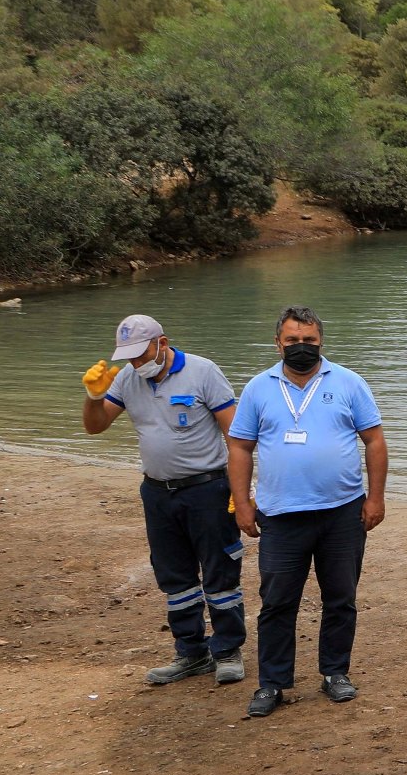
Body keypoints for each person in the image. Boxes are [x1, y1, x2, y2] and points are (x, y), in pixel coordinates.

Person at [225, 307, 387, 719]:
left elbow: (374, 441)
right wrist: (242, 502)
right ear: (278, 342)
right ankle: (272, 683)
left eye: (309, 341)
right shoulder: (259, 388)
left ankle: (335, 673)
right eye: (293, 341)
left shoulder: (349, 383)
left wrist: (376, 498)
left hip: (343, 512)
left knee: (341, 598)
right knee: (277, 601)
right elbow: (240, 447)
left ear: (321, 342)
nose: (301, 348)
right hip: (280, 515)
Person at [79, 313, 246, 686]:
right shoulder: (126, 379)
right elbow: (95, 426)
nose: (137, 363)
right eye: (130, 357)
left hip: (207, 489)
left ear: (162, 343)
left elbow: (236, 435)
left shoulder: (203, 372)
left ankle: (228, 650)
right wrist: (93, 396)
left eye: (142, 354)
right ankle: (191, 653)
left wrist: (242, 490)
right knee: (175, 577)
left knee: (220, 572)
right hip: (157, 492)